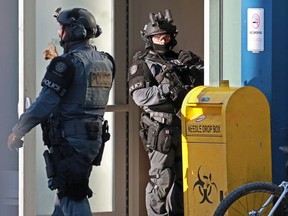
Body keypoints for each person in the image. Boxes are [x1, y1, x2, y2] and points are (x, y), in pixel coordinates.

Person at [7, 7, 115, 216]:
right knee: (64, 197)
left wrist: (18, 130)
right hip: (92, 140)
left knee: (72, 197)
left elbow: (44, 104)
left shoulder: (67, 63)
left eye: (62, 27)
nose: (58, 33)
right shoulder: (106, 60)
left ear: (74, 31)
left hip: (70, 141)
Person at [128, 9, 204, 216]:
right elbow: (139, 96)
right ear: (149, 38)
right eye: (158, 36)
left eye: (166, 36)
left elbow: (204, 87)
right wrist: (167, 89)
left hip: (186, 126)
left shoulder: (181, 59)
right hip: (160, 128)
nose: (162, 39)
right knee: (161, 179)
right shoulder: (143, 61)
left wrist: (198, 67)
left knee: (186, 177)